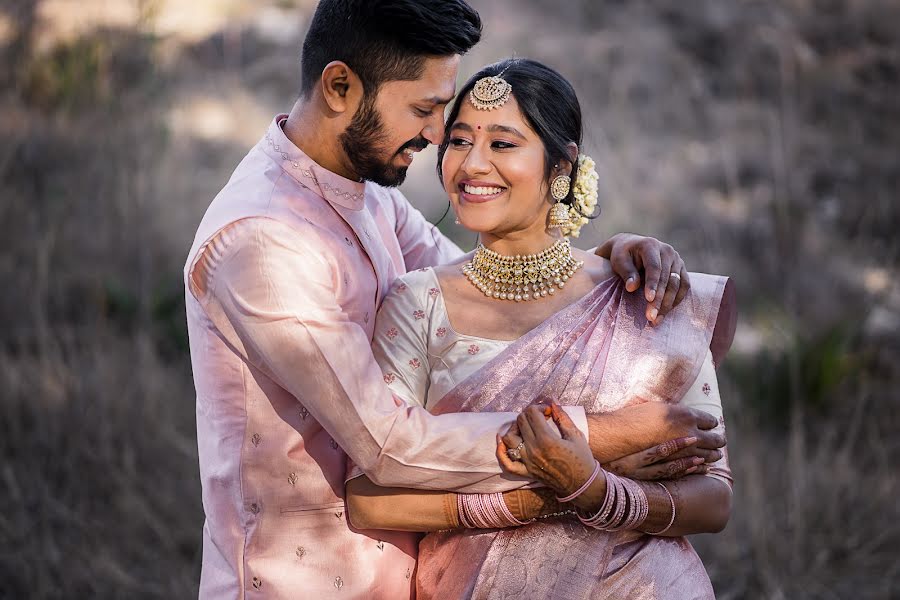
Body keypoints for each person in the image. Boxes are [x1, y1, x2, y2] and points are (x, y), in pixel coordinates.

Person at [183, 2, 725, 598]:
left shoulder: (368, 198)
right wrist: (598, 443)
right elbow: (388, 445)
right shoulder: (263, 241)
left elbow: (492, 284)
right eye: (426, 110)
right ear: (340, 86)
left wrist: (602, 262)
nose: (440, 138)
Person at [345, 58, 736, 599]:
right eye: (459, 141)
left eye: (503, 144)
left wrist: (597, 492)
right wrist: (547, 495)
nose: (473, 164)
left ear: (562, 167)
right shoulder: (419, 305)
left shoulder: (642, 291)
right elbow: (368, 496)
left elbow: (714, 498)